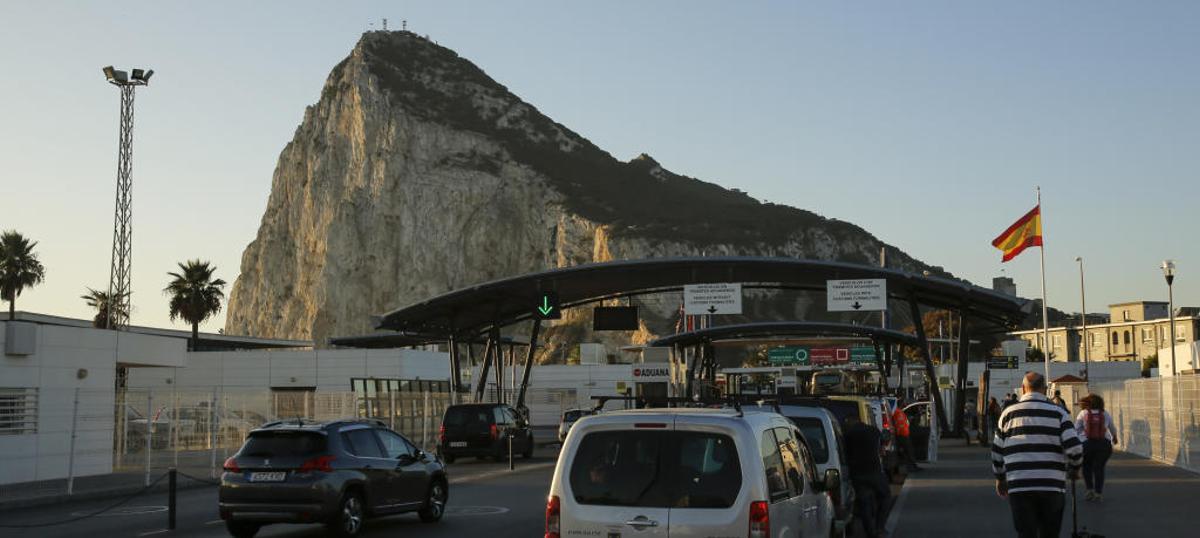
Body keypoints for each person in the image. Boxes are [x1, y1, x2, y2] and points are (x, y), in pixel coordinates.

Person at [991, 372, 1083, 538]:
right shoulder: (1059, 413)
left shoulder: (1007, 414)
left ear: (1024, 388)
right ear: (1045, 389)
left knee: (1026, 533)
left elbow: (997, 452)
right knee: (1050, 533)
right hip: (1052, 485)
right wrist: (1075, 469)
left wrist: (1000, 478)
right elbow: (1075, 448)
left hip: (1019, 484)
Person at [843, 414, 890, 538]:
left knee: (864, 503)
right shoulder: (873, 431)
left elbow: (845, 452)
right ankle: (880, 527)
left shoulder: (848, 434)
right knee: (885, 496)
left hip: (857, 474)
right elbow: (882, 447)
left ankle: (870, 532)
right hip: (874, 471)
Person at [1076, 394, 1118, 502]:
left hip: (1087, 444)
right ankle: (1098, 493)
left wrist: (1080, 438)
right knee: (1099, 468)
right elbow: (1112, 427)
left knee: (1086, 466)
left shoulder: (1083, 413)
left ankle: (1089, 489)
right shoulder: (1105, 413)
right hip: (1104, 445)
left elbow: (1076, 428)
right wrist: (1114, 437)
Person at [892, 398, 921, 471]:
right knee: (909, 451)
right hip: (902, 434)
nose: (904, 404)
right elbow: (898, 424)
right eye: (903, 403)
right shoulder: (898, 412)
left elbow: (902, 422)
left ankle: (912, 466)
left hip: (904, 434)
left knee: (909, 451)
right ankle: (912, 467)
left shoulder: (900, 412)